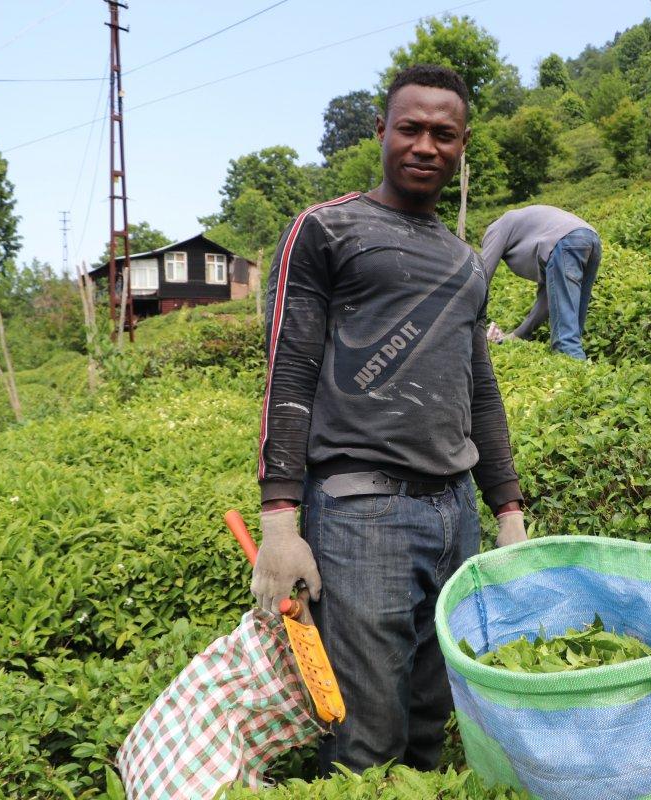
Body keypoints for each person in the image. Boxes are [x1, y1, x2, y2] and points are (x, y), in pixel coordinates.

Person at [250, 64, 527, 776]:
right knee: (364, 739)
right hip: (361, 514)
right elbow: (289, 371)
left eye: (444, 134)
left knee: (433, 718)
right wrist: (279, 524)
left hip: (455, 514)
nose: (426, 146)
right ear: (381, 131)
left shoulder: (466, 263)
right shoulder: (325, 229)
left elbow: (481, 391)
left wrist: (507, 510)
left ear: (463, 145)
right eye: (410, 128)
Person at [479, 205, 602, 359]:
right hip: (590, 238)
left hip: (565, 241)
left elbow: (480, 278)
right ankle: (581, 367)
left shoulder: (496, 228)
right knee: (573, 330)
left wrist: (468, 326)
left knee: (566, 342)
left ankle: (575, 370)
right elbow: (546, 303)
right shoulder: (539, 235)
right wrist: (517, 335)